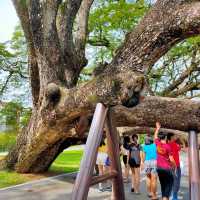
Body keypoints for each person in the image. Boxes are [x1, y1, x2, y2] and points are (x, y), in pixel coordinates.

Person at [154, 122, 176, 200]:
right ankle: (165, 198)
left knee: (163, 185)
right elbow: (171, 159)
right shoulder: (168, 147)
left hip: (159, 168)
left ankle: (164, 197)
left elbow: (155, 137)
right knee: (169, 185)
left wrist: (157, 128)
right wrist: (174, 166)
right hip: (166, 169)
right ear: (165, 137)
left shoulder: (157, 144)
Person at [142, 135, 158, 200]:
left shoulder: (144, 146)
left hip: (147, 162)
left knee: (148, 177)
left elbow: (143, 156)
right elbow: (156, 138)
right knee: (154, 179)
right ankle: (154, 196)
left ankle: (150, 193)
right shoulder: (154, 145)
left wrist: (143, 163)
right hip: (154, 162)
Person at [167, 133, 181, 200]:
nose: (175, 137)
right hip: (176, 166)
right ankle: (174, 196)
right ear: (171, 137)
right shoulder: (175, 144)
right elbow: (180, 148)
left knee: (170, 181)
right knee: (176, 181)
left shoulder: (166, 145)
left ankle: (169, 195)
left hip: (168, 166)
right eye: (174, 136)